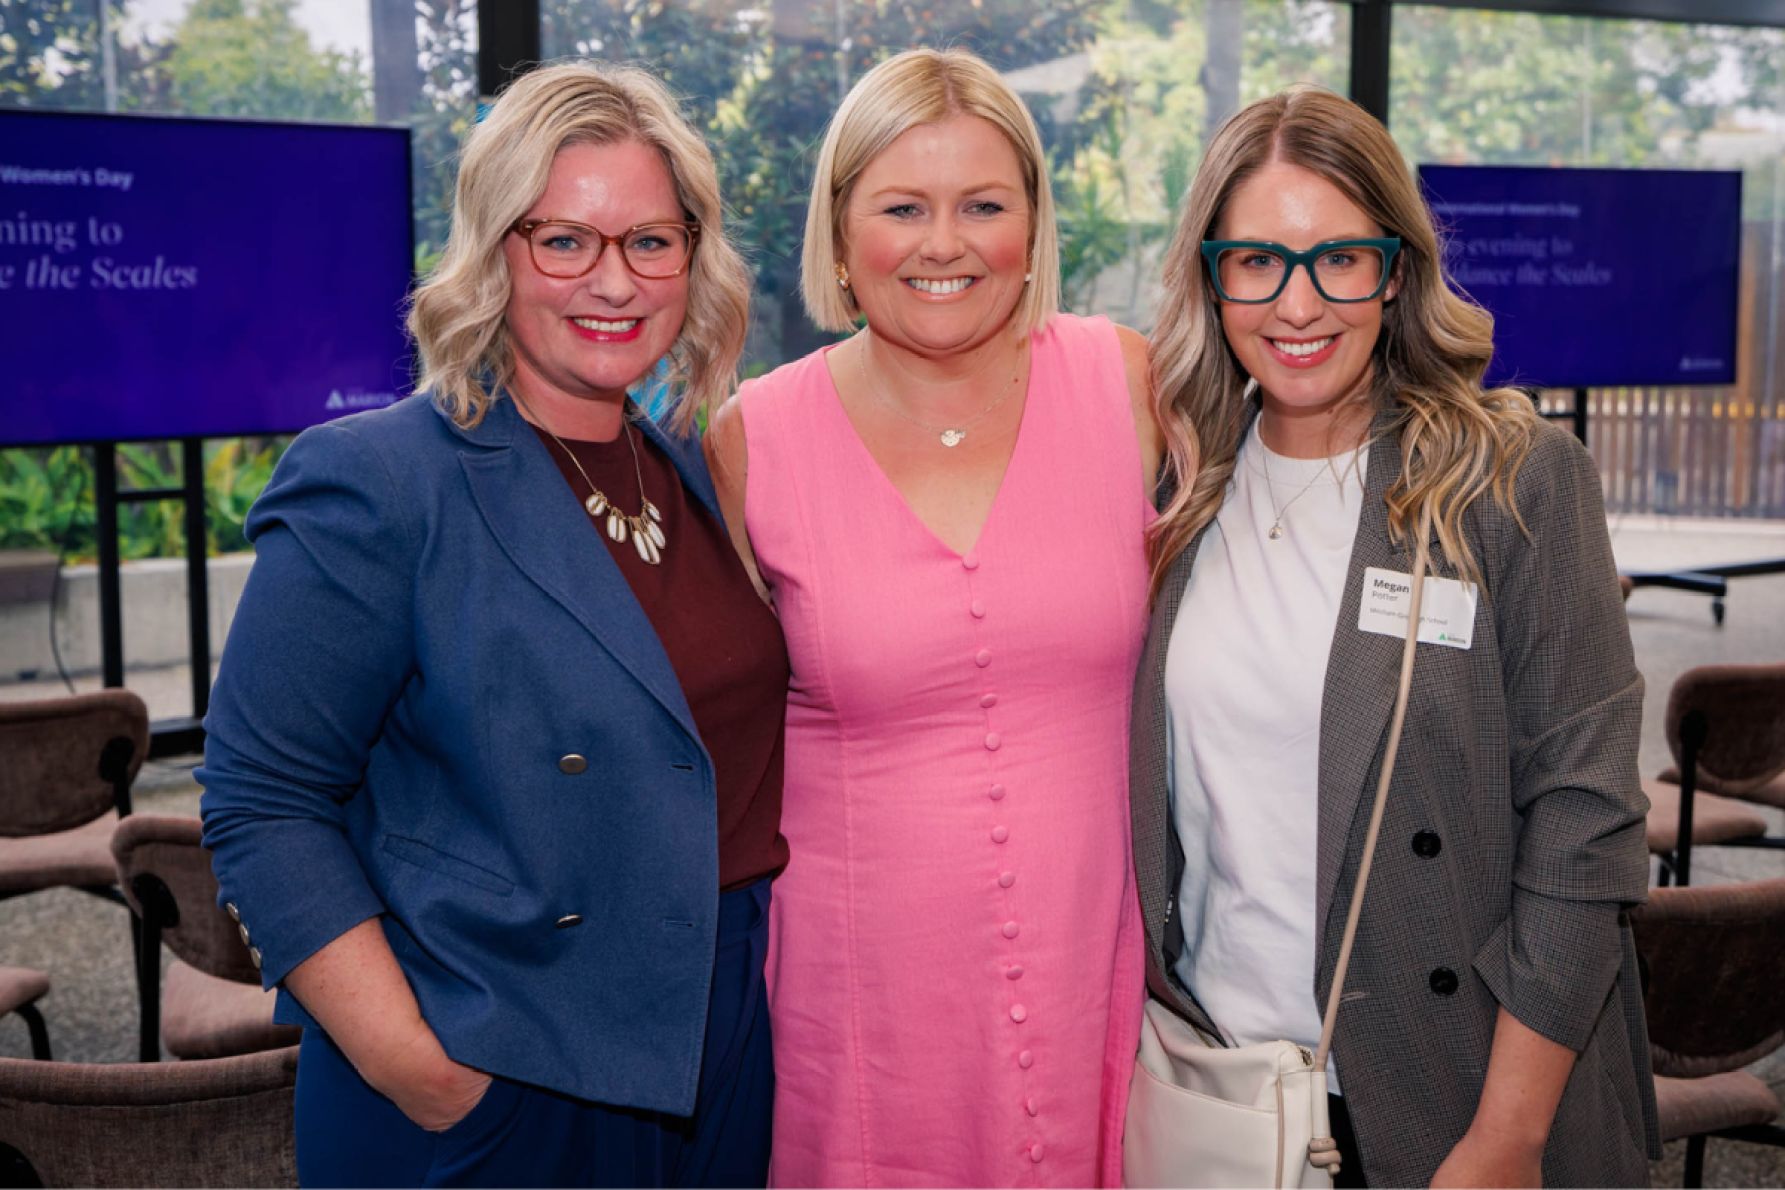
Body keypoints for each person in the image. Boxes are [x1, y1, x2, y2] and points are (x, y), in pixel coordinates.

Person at [198, 61, 787, 1188]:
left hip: (711, 1046)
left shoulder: (688, 471)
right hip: (500, 1069)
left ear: (692, 260)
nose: (612, 280)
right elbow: (263, 799)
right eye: (563, 240)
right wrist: (423, 1068)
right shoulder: (382, 480)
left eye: (651, 242)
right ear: (493, 251)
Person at [1130, 86, 1657, 1187]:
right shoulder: (1175, 490)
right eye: (1257, 260)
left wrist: (1507, 1135)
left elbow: (1586, 820)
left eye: (1340, 258)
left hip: (1460, 1088)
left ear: (1397, 269)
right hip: (1229, 1082)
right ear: (1212, 276)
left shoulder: (1510, 478)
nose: (1297, 300)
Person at [705, 46, 1160, 1188]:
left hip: (1093, 970)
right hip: (861, 1004)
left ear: (1034, 224)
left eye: (984, 205)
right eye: (903, 206)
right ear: (842, 231)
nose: (945, 242)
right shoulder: (753, 437)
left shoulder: (1132, 382)